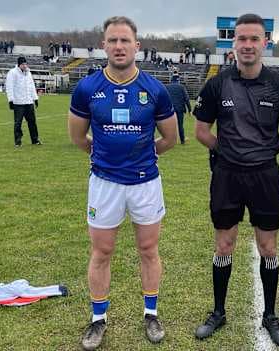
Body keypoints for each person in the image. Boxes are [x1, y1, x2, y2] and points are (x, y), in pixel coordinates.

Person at [68, 16, 177, 350]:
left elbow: (170, 138)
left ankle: (151, 313)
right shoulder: (87, 88)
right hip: (105, 183)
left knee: (148, 249)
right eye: (112, 41)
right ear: (104, 45)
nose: (118, 46)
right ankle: (98, 319)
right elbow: (77, 136)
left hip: (145, 183)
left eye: (124, 41)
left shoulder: (154, 89)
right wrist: (104, 156)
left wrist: (142, 155)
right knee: (102, 251)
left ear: (137, 47)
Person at [192, 13, 279, 346]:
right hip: (227, 176)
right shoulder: (217, 84)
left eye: (255, 38)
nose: (248, 45)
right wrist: (228, 153)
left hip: (265, 177)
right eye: (242, 38)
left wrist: (262, 154)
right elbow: (201, 131)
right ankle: (219, 312)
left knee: (268, 247)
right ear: (233, 43)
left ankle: (270, 314)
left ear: (265, 42)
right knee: (224, 244)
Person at [6, 56, 41, 147]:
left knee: (32, 122)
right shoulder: (12, 73)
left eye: (25, 64)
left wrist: (35, 98)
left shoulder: (28, 73)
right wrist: (11, 100)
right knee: (18, 123)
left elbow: (32, 86)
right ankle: (18, 141)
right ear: (19, 64)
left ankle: (35, 139)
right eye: (23, 64)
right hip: (18, 103)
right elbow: (9, 87)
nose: (25, 66)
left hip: (29, 102)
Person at [166, 74, 191, 144]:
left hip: (169, 109)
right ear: (178, 80)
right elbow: (186, 98)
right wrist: (189, 109)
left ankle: (169, 140)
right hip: (180, 109)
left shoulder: (167, 87)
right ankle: (182, 140)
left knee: (170, 125)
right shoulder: (181, 87)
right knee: (180, 125)